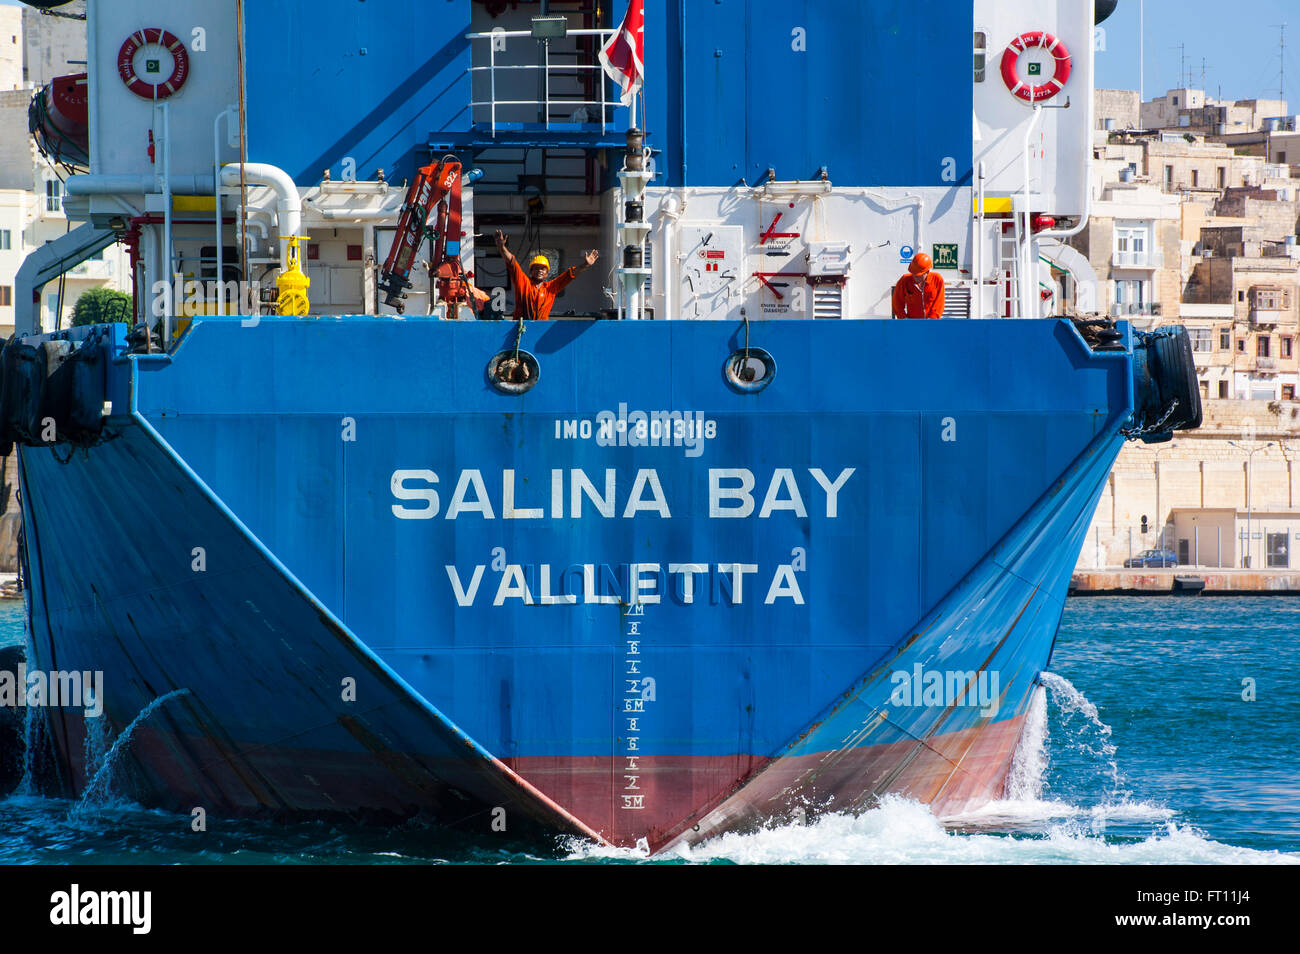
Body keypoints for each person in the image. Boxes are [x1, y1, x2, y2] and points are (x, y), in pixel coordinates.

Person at [495, 229, 599, 321]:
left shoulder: (551, 288)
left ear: (547, 273)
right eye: (536, 268)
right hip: (519, 330)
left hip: (540, 330)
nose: (539, 271)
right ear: (531, 271)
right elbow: (512, 263)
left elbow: (569, 275)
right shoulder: (523, 283)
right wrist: (501, 247)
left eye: (543, 269)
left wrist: (585, 265)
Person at [891, 252, 946, 319]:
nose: (915, 276)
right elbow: (897, 302)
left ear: (927, 271)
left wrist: (932, 319)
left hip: (932, 322)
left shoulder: (937, 279)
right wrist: (904, 318)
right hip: (912, 323)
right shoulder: (905, 280)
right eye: (913, 273)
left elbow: (939, 302)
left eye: (918, 275)